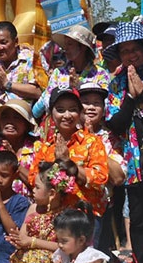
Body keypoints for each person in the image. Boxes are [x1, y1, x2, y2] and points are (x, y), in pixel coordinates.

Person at [101, 22, 143, 263]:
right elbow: (115, 122)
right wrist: (132, 97)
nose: (131, 55)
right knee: (139, 216)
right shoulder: (116, 83)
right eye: (124, 51)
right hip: (135, 160)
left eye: (135, 48)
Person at [32, 88, 109, 217]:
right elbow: (34, 179)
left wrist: (70, 165)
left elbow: (100, 178)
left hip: (84, 218)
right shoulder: (45, 148)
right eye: (60, 110)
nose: (67, 115)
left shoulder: (92, 142)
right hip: (51, 217)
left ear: (80, 113)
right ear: (51, 114)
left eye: (72, 109)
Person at [10, 163, 71, 263]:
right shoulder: (33, 209)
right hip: (32, 255)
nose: (33, 191)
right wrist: (17, 240)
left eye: (37, 187)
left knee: (37, 258)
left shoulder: (65, 215)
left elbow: (64, 246)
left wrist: (32, 242)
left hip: (57, 258)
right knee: (24, 257)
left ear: (51, 194)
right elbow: (23, 237)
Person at [33, 24, 109, 119]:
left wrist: (78, 87)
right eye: (65, 44)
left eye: (70, 44)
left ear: (83, 47)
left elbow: (105, 105)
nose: (65, 49)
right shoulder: (58, 73)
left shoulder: (100, 74)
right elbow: (48, 101)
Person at [0, 97, 38, 195]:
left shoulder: (36, 148)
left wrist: (14, 163)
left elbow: (39, 185)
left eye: (16, 117)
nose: (10, 122)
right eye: (5, 117)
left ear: (26, 124)